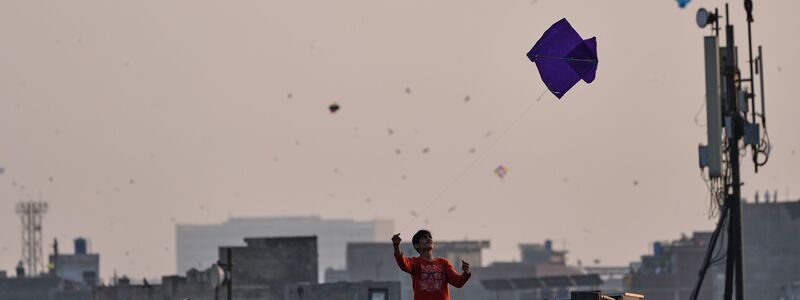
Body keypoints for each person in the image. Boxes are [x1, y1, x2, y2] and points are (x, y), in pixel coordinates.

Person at [392, 230, 471, 300]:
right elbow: (403, 263)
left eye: (430, 237)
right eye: (424, 237)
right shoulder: (415, 262)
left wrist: (466, 272)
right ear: (417, 245)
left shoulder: (444, 263)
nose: (428, 239)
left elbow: (458, 282)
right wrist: (396, 246)